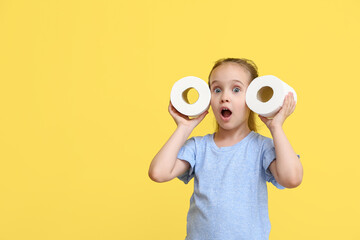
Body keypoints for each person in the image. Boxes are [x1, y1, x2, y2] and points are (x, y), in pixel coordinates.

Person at [148, 58, 303, 240]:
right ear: (208, 99)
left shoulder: (261, 147)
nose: (225, 97)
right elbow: (158, 173)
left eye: (236, 89)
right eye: (217, 89)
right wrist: (184, 127)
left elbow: (292, 178)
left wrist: (276, 127)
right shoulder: (199, 147)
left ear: (253, 99)